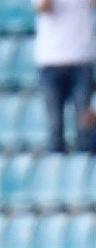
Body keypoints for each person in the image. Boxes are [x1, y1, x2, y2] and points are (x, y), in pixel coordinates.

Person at [33, 0, 95, 153]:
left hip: (81, 59)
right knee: (55, 125)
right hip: (51, 60)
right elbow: (43, 7)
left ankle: (84, 167)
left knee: (84, 126)